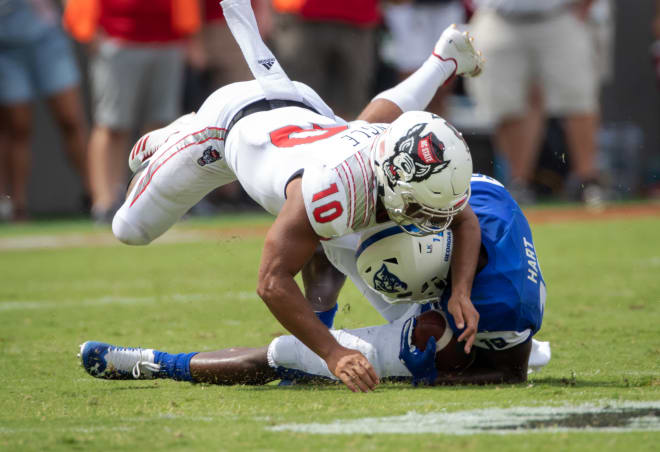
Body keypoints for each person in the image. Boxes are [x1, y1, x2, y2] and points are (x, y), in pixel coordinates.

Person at [110, 0, 485, 392]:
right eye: (420, 208)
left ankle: (443, 60)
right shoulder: (328, 191)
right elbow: (271, 282)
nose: (428, 222)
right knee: (130, 229)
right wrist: (333, 353)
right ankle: (174, 136)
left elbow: (463, 218)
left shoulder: (391, 150)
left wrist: (461, 291)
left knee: (359, 253)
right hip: (225, 129)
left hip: (305, 108)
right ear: (395, 179)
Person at [79, 174, 550, 386]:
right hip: (461, 273)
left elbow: (511, 372)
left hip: (460, 325)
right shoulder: (468, 192)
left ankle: (157, 363)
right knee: (332, 228)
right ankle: (321, 322)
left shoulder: (504, 305)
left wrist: (428, 376)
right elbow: (464, 213)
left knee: (287, 354)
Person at [63, 0, 203, 223]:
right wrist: (88, 29)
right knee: (112, 124)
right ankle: (104, 203)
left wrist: (190, 34)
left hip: (168, 38)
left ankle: (158, 200)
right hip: (117, 36)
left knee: (163, 126)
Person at [466, 0, 604, 208]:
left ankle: (589, 182)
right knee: (508, 106)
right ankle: (519, 183)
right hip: (498, 14)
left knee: (579, 100)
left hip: (560, 13)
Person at [0, 0, 89, 221]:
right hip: (6, 46)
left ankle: (95, 197)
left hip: (49, 40)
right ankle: (16, 206)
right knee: (17, 127)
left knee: (70, 119)